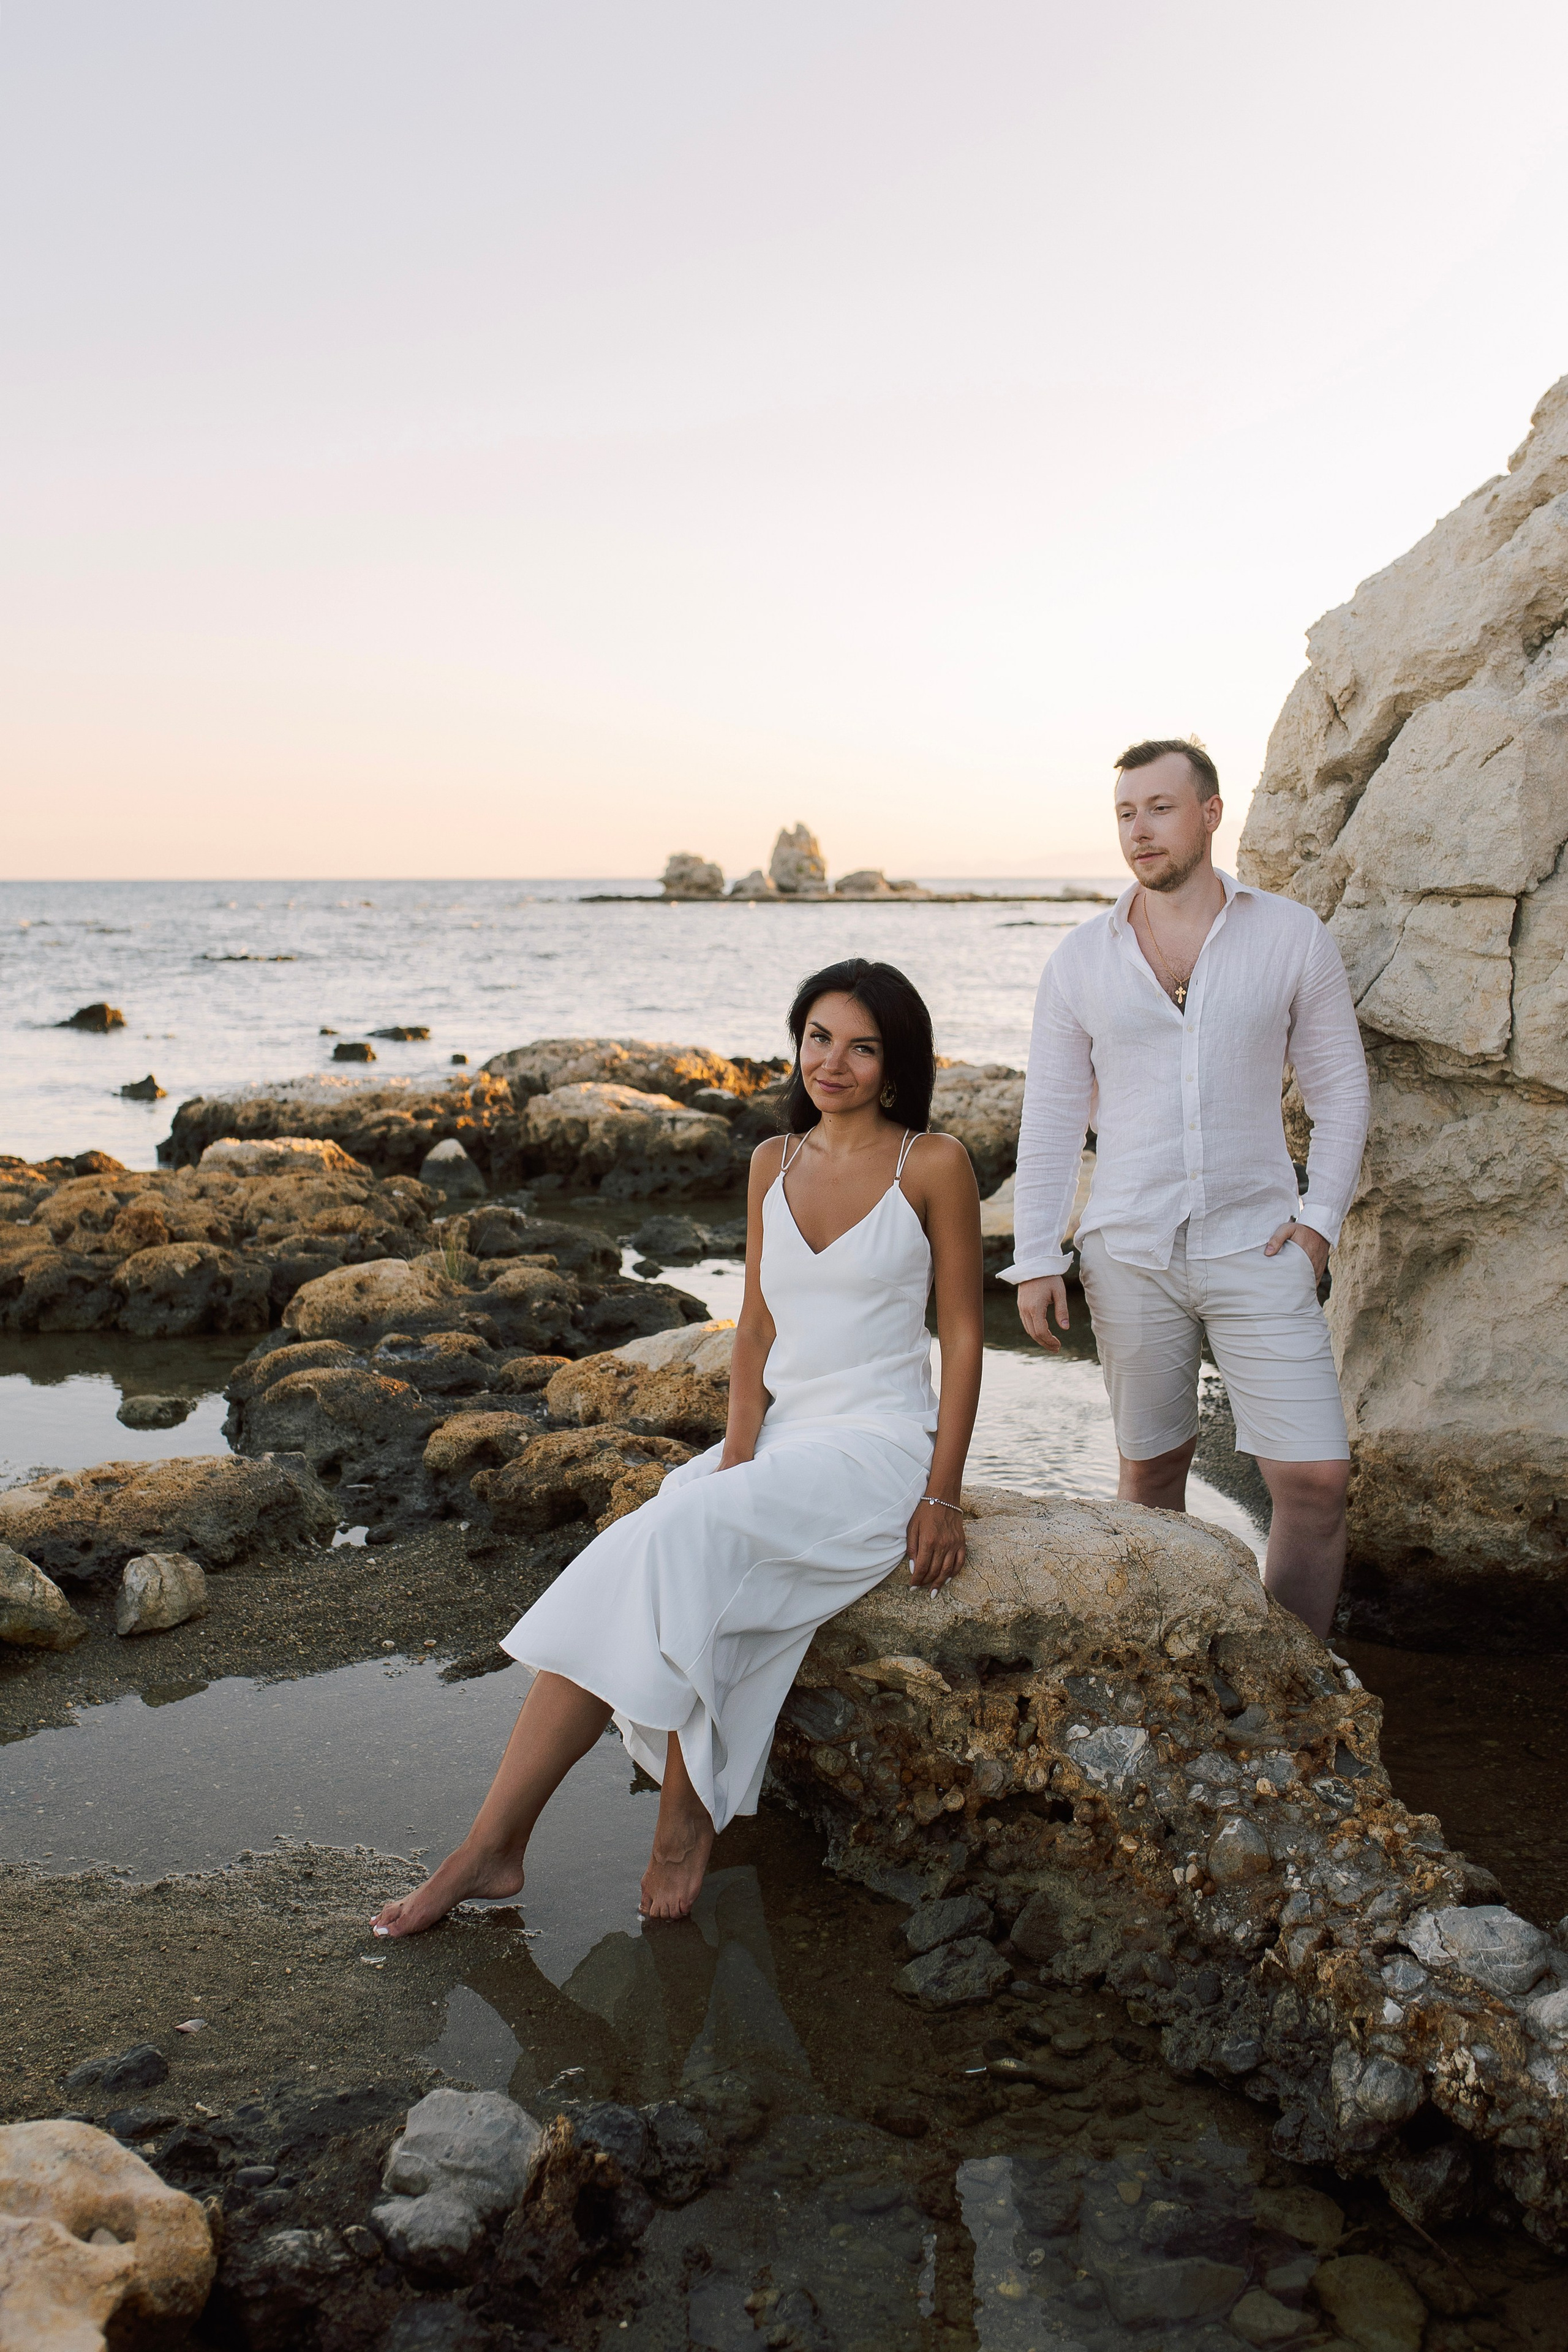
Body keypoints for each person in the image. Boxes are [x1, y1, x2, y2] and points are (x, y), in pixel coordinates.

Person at [372, 957, 983, 1937]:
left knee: (683, 1536)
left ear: (896, 1062)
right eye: (819, 1038)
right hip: (781, 1438)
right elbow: (753, 1331)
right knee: (624, 1559)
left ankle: (681, 1817)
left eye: (862, 1047)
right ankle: (490, 1845)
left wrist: (942, 1495)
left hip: (877, 1447)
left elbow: (960, 1336)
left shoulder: (934, 1163)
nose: (834, 1062)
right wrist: (737, 1454)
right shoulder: (771, 1162)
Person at [1005, 739, 1369, 1638]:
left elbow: (1341, 1089)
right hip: (1128, 1252)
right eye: (1126, 813)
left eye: (1160, 808)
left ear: (1210, 814)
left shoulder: (1289, 935)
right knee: (1152, 1475)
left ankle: (1293, 1687)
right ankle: (1164, 1685)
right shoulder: (1080, 961)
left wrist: (1320, 1219)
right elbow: (1050, 1119)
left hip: (1262, 1243)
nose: (1140, 830)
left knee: (1316, 1484)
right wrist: (1036, 1256)